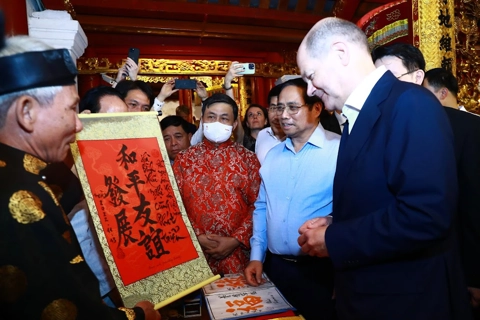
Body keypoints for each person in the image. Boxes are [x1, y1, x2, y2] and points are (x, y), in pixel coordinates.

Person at [296, 17, 472, 319]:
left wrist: (333, 239)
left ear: (340, 53)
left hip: (406, 301)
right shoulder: (358, 115)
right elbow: (382, 195)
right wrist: (334, 220)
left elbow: (426, 215)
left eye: (311, 76)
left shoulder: (410, 104)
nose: (310, 89)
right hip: (368, 294)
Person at [0, 34, 159, 319]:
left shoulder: (29, 173)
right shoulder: (19, 199)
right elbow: (62, 309)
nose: (78, 125)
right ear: (27, 112)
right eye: (72, 110)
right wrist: (139, 316)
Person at [245, 78, 340, 319]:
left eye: (293, 107)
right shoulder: (274, 156)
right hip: (275, 268)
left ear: (316, 108)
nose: (283, 115)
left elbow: (355, 210)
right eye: (278, 107)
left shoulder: (340, 151)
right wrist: (257, 256)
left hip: (322, 271)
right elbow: (262, 207)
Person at [173, 93, 261, 275]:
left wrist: (236, 239)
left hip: (237, 254)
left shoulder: (249, 159)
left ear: (234, 124)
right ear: (202, 120)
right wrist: (197, 236)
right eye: (211, 117)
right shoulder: (184, 159)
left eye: (224, 118)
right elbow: (174, 203)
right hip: (194, 251)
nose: (216, 123)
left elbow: (258, 205)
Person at [424, 68, 480, 317]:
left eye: (425, 94)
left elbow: (473, 204)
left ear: (443, 92)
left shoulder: (470, 127)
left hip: (458, 255)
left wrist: (475, 274)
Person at [255, 85, 286, 164]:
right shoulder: (262, 135)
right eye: (273, 108)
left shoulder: (299, 139)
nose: (276, 116)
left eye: (281, 108)